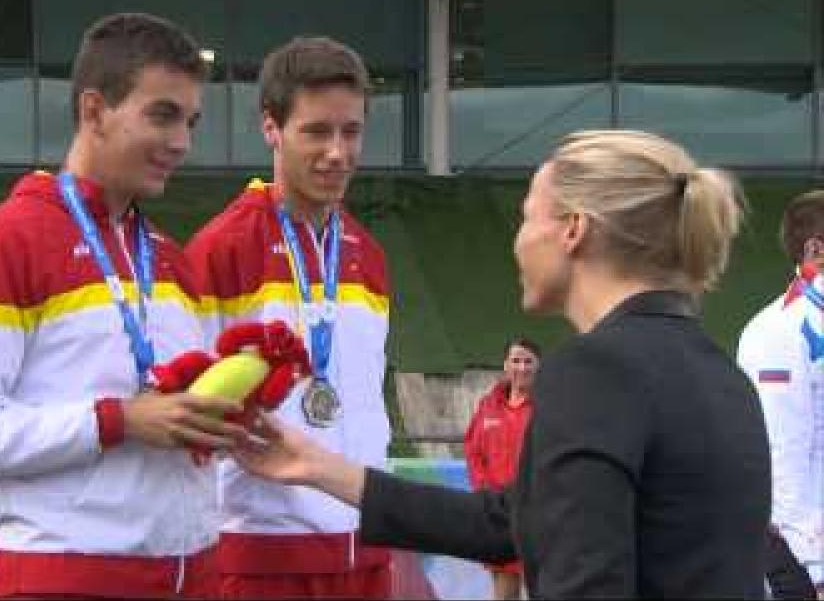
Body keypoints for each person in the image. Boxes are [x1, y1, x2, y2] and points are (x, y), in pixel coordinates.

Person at [232, 129, 773, 598]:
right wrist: (316, 466)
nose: (519, 239)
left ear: (573, 230)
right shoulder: (719, 374)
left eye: (526, 216)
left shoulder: (596, 371)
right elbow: (508, 521)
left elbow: (582, 584)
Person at [0, 12, 247, 599]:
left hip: (194, 571)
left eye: (191, 122)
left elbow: (171, 417)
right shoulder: (2, 243)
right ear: (94, 110)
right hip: (67, 575)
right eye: (162, 116)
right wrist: (119, 420)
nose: (181, 143)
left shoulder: (172, 261)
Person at [185, 36, 393, 599]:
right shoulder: (220, 248)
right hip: (260, 550)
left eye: (350, 132)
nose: (337, 152)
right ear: (271, 128)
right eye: (317, 131)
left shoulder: (366, 254)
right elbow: (190, 404)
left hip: (365, 542)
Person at [737, 189, 824, 598]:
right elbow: (781, 454)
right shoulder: (780, 330)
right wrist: (818, 567)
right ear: (815, 248)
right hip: (802, 555)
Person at [462, 337, 540, 600]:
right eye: (516, 360)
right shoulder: (488, 405)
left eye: (528, 361)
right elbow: (473, 451)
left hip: (536, 517)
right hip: (499, 515)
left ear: (538, 367)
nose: (521, 367)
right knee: (504, 596)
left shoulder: (549, 407)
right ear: (506, 365)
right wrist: (485, 492)